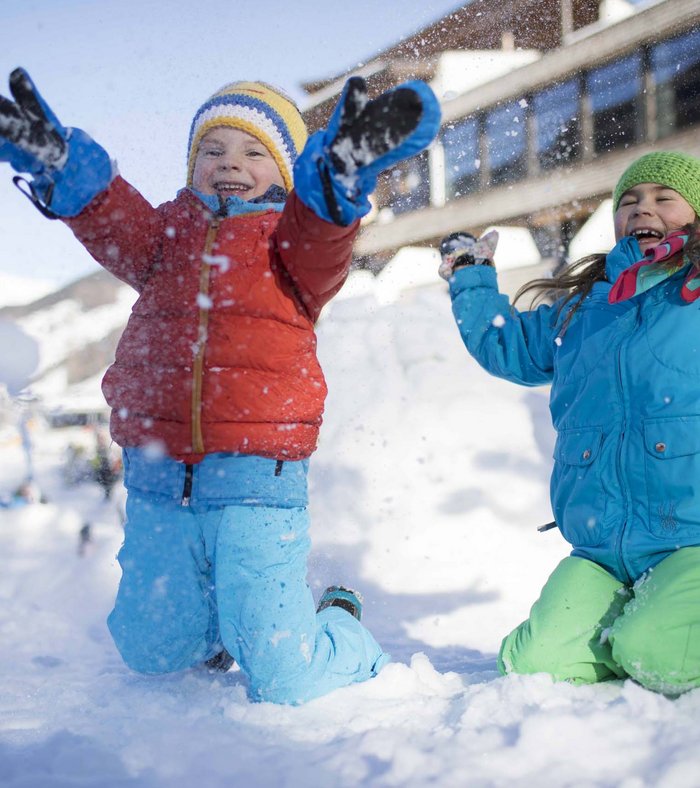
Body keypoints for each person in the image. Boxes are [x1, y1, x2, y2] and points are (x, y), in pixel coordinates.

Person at [0, 69, 441, 703]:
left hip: (257, 483)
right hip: (158, 482)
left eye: (254, 151)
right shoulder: (164, 239)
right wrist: (59, 160)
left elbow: (323, 229)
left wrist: (337, 176)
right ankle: (215, 632)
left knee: (283, 674)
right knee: (151, 651)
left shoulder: (293, 244)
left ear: (287, 173)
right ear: (191, 165)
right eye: (212, 149)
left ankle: (339, 627)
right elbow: (107, 211)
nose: (229, 162)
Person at [439, 151, 700, 695]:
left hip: (691, 540)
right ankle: (638, 628)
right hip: (604, 550)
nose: (641, 208)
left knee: (653, 653)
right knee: (532, 664)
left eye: (662, 198)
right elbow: (505, 346)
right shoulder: (583, 307)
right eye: (628, 201)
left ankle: (647, 635)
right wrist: (472, 279)